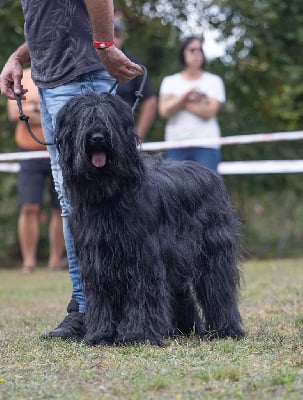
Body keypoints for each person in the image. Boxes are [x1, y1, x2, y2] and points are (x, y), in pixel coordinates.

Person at [0, 0, 143, 341]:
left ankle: (101, 307)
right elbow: (52, 23)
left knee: (89, 201)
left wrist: (105, 45)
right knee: (72, 203)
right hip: (51, 82)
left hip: (78, 77)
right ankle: (90, 306)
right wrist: (20, 57)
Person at [7, 68, 65, 274]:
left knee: (61, 208)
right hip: (29, 152)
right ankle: (29, 262)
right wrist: (46, 115)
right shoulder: (20, 76)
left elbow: (64, 114)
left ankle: (55, 261)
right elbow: (15, 112)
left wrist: (32, 112)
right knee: (29, 207)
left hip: (58, 151)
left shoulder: (60, 73)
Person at [158, 36, 226, 171]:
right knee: (176, 190)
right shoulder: (169, 81)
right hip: (176, 143)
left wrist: (179, 101)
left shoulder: (214, 81)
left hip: (206, 144)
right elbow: (164, 111)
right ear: (183, 53)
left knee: (207, 189)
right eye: (192, 50)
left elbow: (209, 112)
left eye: (200, 50)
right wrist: (190, 98)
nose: (197, 54)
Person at [113, 18, 157, 139]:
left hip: (124, 136)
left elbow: (150, 101)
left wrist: (137, 137)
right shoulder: (87, 64)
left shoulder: (133, 64)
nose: (113, 40)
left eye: (116, 35)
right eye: (108, 35)